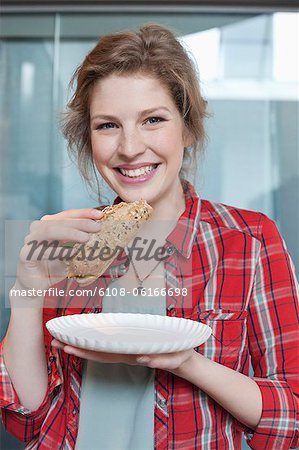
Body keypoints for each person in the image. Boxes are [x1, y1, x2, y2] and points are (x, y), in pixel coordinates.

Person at [0, 24, 298, 450]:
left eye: (153, 120)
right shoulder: (69, 243)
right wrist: (27, 289)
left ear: (188, 128)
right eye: (107, 125)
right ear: (89, 138)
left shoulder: (249, 241)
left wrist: (187, 363)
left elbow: (291, 415)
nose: (130, 147)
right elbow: (27, 415)